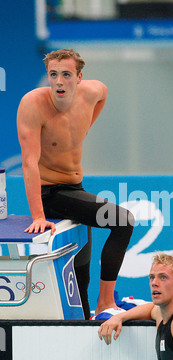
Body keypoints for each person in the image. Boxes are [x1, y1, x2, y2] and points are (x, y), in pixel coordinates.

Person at [17, 48, 134, 320]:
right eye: (53, 75)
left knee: (81, 282)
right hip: (52, 194)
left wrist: (85, 126)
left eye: (66, 75)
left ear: (79, 77)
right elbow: (29, 163)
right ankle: (106, 303)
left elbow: (104, 94)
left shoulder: (93, 92)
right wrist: (38, 215)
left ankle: (92, 311)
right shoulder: (33, 105)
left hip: (76, 192)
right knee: (123, 220)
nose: (59, 82)